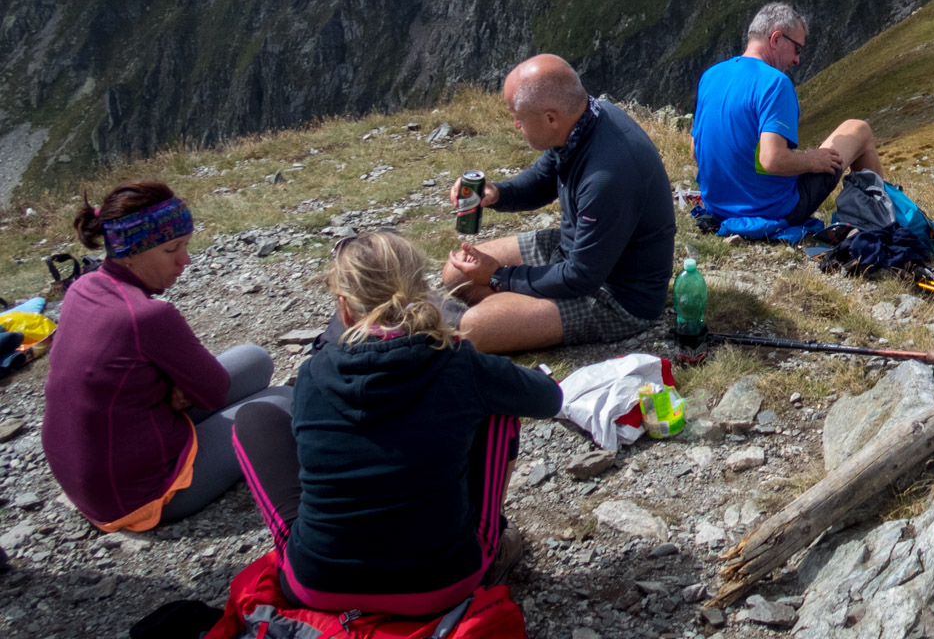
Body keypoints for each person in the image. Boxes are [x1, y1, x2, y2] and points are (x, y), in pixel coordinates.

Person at [233, 231, 563, 613]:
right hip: (443, 583)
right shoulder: (458, 363)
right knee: (500, 407)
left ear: (343, 309)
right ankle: (493, 543)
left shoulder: (312, 372)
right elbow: (547, 398)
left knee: (253, 416)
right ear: (424, 294)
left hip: (316, 585)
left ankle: (300, 544)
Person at [42, 182, 292, 530]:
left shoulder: (84, 286)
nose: (185, 260)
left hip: (92, 474)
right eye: (172, 249)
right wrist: (179, 389)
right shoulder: (145, 315)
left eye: (185, 245)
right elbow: (214, 391)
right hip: (141, 494)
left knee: (256, 358)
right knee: (283, 401)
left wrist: (173, 387)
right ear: (130, 251)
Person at [439, 54, 675, 353]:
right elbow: (543, 178)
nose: (515, 124)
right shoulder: (583, 119)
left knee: (473, 329)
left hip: (615, 295)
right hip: (575, 253)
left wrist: (499, 276)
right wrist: (497, 193)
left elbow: (581, 277)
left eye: (519, 117)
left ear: (551, 118)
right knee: (456, 275)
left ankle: (512, 314)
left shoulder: (608, 177)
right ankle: (518, 311)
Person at [690, 2, 885, 243]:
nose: (796, 60)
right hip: (772, 211)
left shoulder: (711, 75)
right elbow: (772, 160)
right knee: (858, 129)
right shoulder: (775, 83)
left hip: (717, 207)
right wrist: (812, 160)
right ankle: (887, 217)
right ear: (776, 38)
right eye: (797, 49)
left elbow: (695, 149)